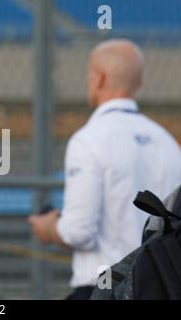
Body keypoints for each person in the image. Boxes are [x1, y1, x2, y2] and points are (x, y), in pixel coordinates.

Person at [28, 39, 181, 300]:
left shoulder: (89, 140)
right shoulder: (166, 142)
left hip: (106, 285)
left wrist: (50, 227)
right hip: (158, 283)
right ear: (138, 83)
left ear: (99, 78)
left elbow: (79, 232)